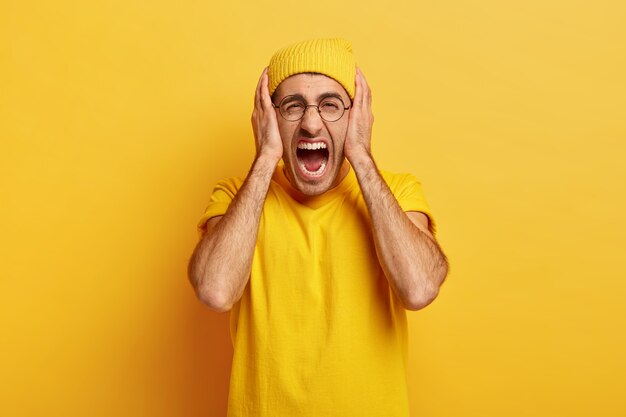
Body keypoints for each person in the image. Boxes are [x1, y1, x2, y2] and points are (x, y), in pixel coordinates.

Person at [188, 38, 449, 417]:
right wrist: (265, 159)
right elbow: (214, 290)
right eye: (292, 107)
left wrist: (360, 153)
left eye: (331, 105)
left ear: (355, 114)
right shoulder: (236, 197)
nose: (311, 124)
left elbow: (420, 288)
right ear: (270, 118)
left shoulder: (397, 192)